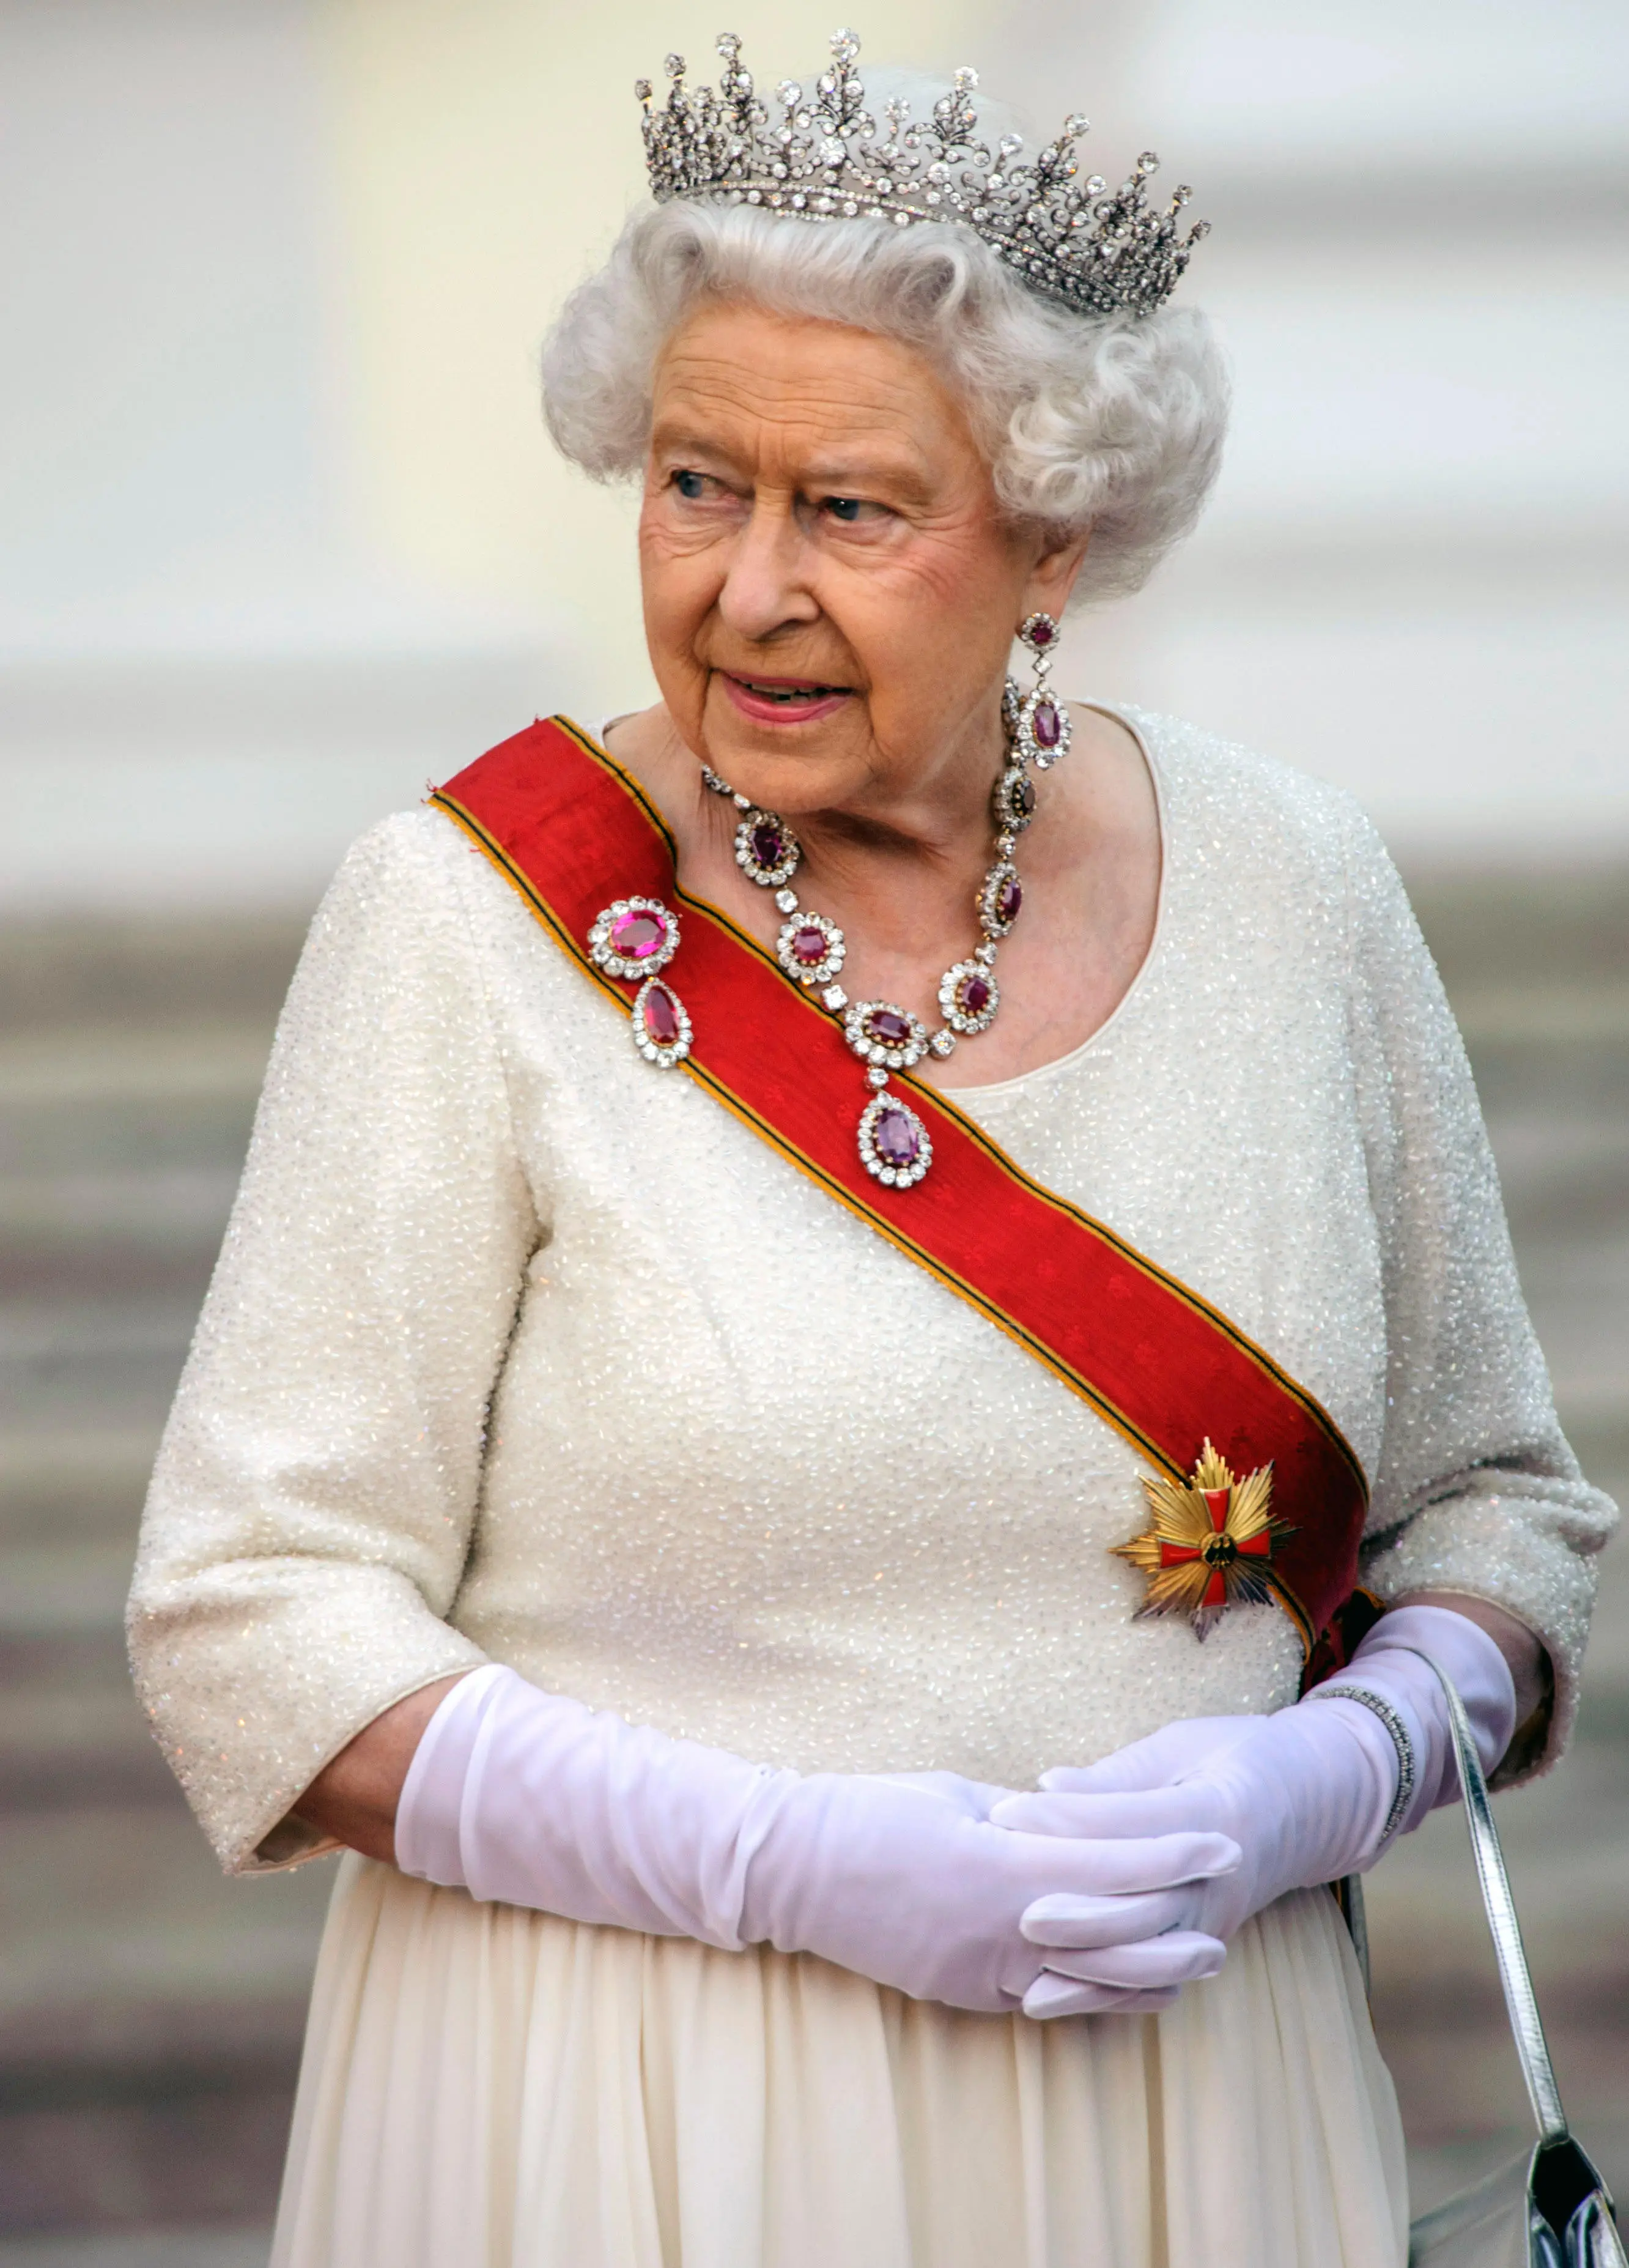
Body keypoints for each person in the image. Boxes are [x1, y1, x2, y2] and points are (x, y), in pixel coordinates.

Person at [128, 32, 1615, 2268]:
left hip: (1185, 2118)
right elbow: (250, 1617)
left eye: (849, 509)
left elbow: (1497, 1508)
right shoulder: (467, 919)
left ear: (1054, 540)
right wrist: (789, 1863)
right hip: (630, 2119)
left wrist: (1329, 1770)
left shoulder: (1301, 889)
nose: (743, 590)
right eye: (692, 484)